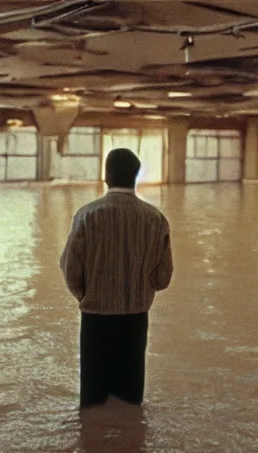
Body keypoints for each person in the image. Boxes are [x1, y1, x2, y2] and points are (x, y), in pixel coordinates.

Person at [60, 148, 173, 408]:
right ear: (135, 176)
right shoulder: (155, 219)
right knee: (131, 401)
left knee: (92, 403)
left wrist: (86, 296)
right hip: (135, 318)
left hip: (95, 319)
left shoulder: (86, 216)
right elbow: (163, 277)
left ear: (106, 176)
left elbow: (70, 268)